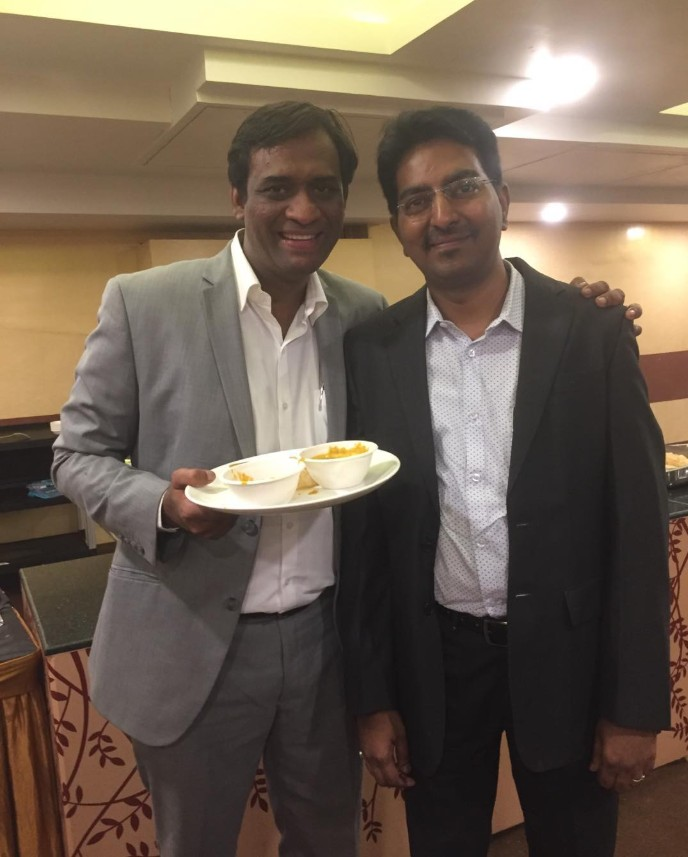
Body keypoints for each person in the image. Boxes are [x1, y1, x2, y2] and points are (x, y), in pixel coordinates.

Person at [52, 99, 638, 857]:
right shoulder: (145, 303)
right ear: (237, 197)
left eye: (324, 188)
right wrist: (162, 502)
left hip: (325, 649)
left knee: (329, 843)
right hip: (193, 640)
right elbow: (76, 455)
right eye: (277, 188)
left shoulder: (364, 322)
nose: (303, 210)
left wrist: (588, 306)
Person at [337, 106, 670, 857]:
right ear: (398, 226)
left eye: (462, 187)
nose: (441, 215)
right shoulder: (373, 350)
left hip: (569, 657)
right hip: (436, 666)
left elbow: (638, 529)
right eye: (416, 201)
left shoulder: (590, 330)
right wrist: (373, 698)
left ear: (503, 199)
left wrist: (634, 704)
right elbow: (365, 540)